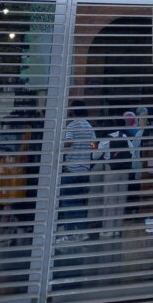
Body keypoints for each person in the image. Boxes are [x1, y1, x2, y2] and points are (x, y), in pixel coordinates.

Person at [57, 100, 96, 243]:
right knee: (79, 202)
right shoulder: (89, 126)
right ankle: (82, 231)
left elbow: (67, 143)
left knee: (67, 202)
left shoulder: (72, 125)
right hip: (84, 170)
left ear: (73, 111)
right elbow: (93, 146)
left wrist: (58, 144)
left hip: (71, 168)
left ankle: (70, 233)